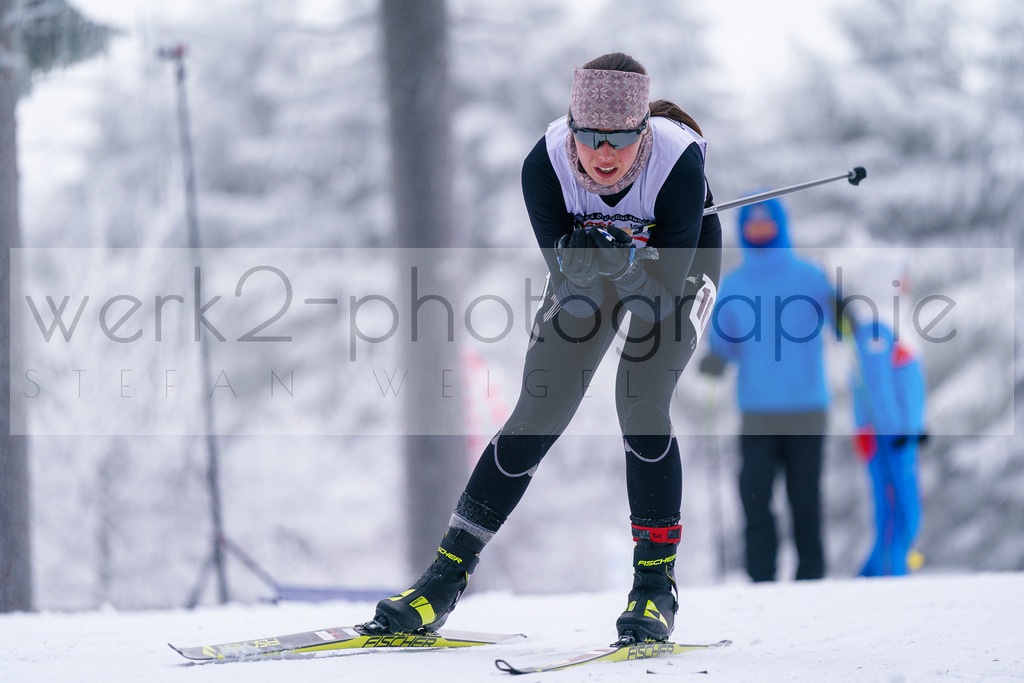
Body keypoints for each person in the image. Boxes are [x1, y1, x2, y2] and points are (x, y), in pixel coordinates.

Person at [367, 52, 722, 643]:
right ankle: (443, 581)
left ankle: (656, 589)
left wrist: (629, 262)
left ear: (642, 133)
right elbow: (574, 288)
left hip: (677, 274)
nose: (604, 155)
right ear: (572, 130)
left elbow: (656, 304)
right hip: (594, 272)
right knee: (537, 413)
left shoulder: (678, 164)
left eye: (619, 140)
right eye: (590, 138)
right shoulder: (544, 166)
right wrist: (591, 260)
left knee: (640, 400)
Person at [699, 196, 839, 582]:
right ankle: (761, 578)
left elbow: (841, 326)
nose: (759, 230)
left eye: (766, 223)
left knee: (805, 497)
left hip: (807, 407)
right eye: (752, 224)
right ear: (744, 230)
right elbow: (724, 340)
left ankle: (812, 576)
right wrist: (716, 359)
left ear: (781, 225)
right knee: (755, 495)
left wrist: (844, 310)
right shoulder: (735, 283)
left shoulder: (810, 276)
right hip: (757, 409)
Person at [848, 269, 927, 577]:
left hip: (900, 434)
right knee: (899, 509)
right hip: (887, 438)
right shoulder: (875, 328)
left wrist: (917, 426)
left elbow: (908, 384)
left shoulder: (893, 324)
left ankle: (879, 573)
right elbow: (877, 388)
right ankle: (889, 574)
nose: (907, 284)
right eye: (900, 278)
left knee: (902, 510)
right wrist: (897, 429)